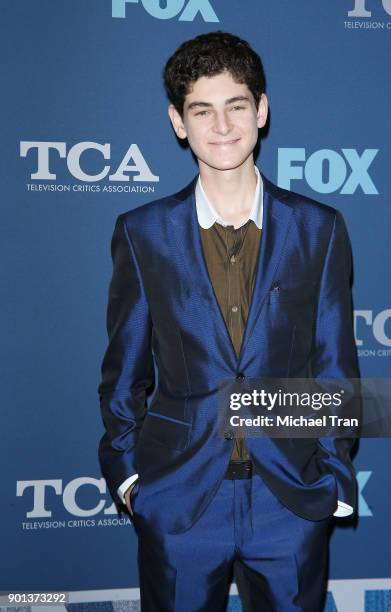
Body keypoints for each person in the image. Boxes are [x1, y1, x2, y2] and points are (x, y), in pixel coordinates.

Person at [98, 31, 359, 611]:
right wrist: (129, 479)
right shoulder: (142, 233)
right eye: (202, 110)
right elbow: (123, 373)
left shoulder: (319, 228)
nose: (221, 126)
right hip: (180, 501)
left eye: (236, 106)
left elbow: (335, 365)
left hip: (289, 499)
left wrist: (334, 476)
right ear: (177, 121)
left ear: (261, 111)